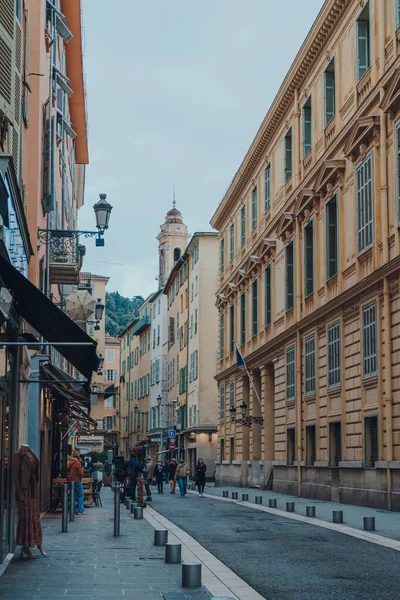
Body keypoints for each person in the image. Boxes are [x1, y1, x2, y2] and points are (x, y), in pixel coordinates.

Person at [67, 450, 85, 514]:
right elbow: (80, 473)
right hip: (77, 481)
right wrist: (82, 470)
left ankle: (73, 509)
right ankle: (80, 510)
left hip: (71, 481)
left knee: (73, 495)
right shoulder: (77, 463)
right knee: (80, 495)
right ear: (78, 456)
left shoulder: (69, 462)